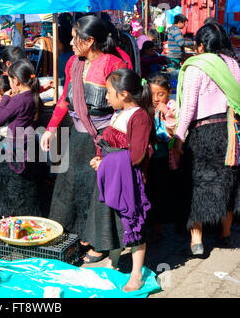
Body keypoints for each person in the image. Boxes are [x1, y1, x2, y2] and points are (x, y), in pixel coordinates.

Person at [40, 15, 127, 263]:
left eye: (74, 37)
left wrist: (112, 144)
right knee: (69, 188)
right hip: (77, 138)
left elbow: (124, 106)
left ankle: (98, 244)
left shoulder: (114, 64)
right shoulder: (72, 64)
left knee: (96, 192)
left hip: (104, 139)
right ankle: (74, 236)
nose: (70, 41)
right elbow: (64, 100)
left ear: (89, 41)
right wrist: (50, 128)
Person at [171, 23, 240, 255]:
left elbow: (189, 106)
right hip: (231, 132)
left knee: (198, 184)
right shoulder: (234, 64)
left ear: (201, 45)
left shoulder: (196, 66)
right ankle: (225, 235)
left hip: (204, 132)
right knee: (229, 182)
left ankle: (197, 241)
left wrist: (179, 137)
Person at [84, 68, 153, 292]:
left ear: (123, 94)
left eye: (108, 92)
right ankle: (113, 263)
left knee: (132, 225)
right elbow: (108, 143)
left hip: (128, 181)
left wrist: (106, 164)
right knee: (112, 222)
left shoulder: (139, 117)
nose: (105, 97)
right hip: (112, 175)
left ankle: (136, 275)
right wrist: (99, 157)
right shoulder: (118, 113)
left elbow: (136, 155)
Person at [0, 59, 46, 223]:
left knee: (7, 187)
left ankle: (6, 218)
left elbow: (0, 118)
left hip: (11, 146)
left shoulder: (18, 100)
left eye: (10, 80)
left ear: (15, 81)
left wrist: (4, 99)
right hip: (26, 145)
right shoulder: (33, 96)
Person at [145, 72, 177, 240]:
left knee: (161, 191)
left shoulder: (171, 107)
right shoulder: (146, 107)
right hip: (149, 157)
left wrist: (168, 114)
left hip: (165, 157)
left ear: (169, 92)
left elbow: (174, 130)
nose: (156, 98)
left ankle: (159, 226)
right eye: (152, 94)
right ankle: (150, 223)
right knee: (149, 189)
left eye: (161, 94)